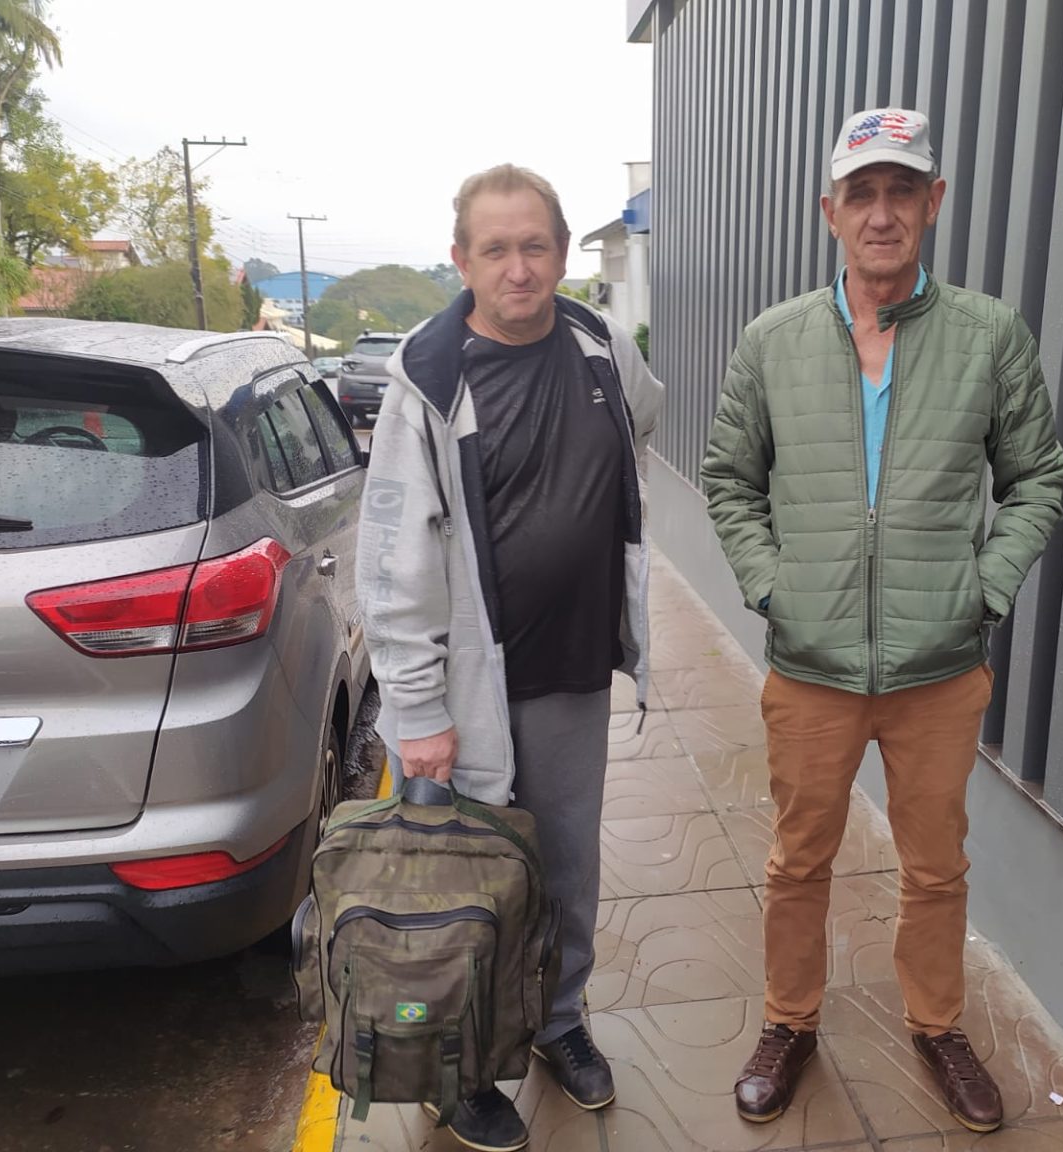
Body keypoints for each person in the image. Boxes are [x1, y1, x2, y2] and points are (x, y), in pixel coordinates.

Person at [701, 107, 1063, 1135]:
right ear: (830, 211)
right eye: (860, 193)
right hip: (811, 667)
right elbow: (729, 479)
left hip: (937, 670)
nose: (881, 213)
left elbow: (1037, 478)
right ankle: (789, 1022)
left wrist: (982, 590)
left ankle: (937, 1025)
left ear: (933, 203)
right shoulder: (773, 341)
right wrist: (775, 587)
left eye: (901, 190)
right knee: (797, 860)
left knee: (937, 867)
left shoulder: (989, 335)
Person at [355, 163, 664, 1152]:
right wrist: (416, 711)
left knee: (567, 870)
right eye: (496, 249)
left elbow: (643, 421)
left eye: (535, 246)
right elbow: (392, 564)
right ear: (462, 260)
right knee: (459, 891)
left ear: (564, 253)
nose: (518, 268)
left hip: (571, 672)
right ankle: (455, 1069)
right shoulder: (428, 378)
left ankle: (560, 1023)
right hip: (462, 696)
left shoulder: (601, 348)